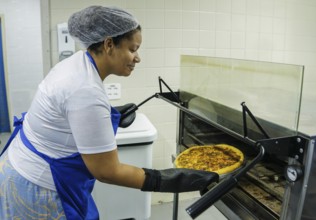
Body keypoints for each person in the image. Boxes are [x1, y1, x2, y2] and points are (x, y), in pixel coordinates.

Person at [0, 5, 218, 220]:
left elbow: (70, 115)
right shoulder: (85, 90)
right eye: (132, 49)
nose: (138, 58)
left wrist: (107, 115)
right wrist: (168, 179)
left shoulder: (77, 63)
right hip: (38, 185)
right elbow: (107, 171)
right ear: (109, 44)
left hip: (23, 165)